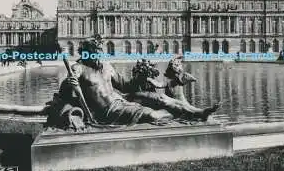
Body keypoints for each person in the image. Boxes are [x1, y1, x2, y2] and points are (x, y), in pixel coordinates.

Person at [57, 54, 219, 126]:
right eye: (94, 52)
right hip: (108, 111)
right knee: (153, 114)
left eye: (100, 51)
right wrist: (68, 83)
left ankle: (198, 112)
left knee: (162, 100)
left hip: (121, 101)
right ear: (86, 53)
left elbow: (125, 86)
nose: (99, 55)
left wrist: (141, 78)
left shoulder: (107, 67)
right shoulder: (79, 68)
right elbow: (65, 90)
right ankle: (182, 114)